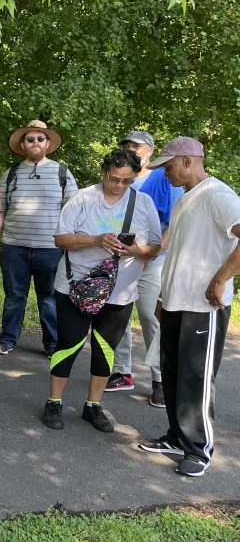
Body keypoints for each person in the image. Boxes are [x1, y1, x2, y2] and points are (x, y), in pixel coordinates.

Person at [137, 137, 240, 478]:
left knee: (196, 375)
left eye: (167, 167)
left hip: (204, 304)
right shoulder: (185, 200)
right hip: (178, 301)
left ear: (186, 161)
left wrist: (222, 278)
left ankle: (199, 449)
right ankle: (177, 437)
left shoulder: (217, 195)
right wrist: (165, 298)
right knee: (173, 371)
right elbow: (181, 252)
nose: (165, 174)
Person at [43, 149, 161, 433]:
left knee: (105, 349)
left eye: (126, 181)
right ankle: (54, 401)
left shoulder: (143, 203)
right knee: (68, 344)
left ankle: (93, 406)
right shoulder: (84, 198)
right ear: (103, 172)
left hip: (120, 291)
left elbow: (155, 247)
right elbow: (60, 238)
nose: (119, 185)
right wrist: (96, 240)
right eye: (114, 179)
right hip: (76, 286)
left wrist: (136, 250)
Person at [103, 131, 183, 406]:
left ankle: (160, 378)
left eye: (136, 146)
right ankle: (122, 371)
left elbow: (173, 225)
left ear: (149, 151)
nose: (131, 150)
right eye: (127, 145)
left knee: (150, 316)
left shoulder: (163, 179)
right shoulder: (117, 178)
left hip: (153, 258)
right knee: (118, 313)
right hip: (122, 258)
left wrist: (150, 254)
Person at [0, 120, 78, 357]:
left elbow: (73, 212)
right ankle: (7, 339)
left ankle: (52, 344)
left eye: (40, 138)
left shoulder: (62, 173)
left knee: (49, 299)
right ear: (23, 144)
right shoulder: (11, 174)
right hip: (14, 247)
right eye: (30, 139)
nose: (35, 142)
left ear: (48, 143)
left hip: (50, 249)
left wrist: (71, 244)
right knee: (14, 297)